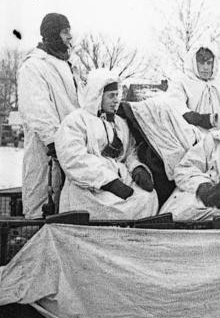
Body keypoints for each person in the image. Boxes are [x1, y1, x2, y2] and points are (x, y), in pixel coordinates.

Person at [55, 69, 158, 219]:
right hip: (90, 185)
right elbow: (74, 159)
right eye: (111, 96)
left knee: (148, 197)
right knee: (114, 209)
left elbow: (129, 152)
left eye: (117, 95)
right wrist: (109, 182)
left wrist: (137, 168)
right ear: (97, 96)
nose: (116, 100)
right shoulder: (76, 121)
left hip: (121, 178)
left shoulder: (119, 123)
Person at [16, 13, 80, 218]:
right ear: (52, 34)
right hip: (47, 152)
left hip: (70, 148)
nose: (70, 36)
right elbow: (37, 110)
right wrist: (55, 144)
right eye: (65, 31)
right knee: (41, 207)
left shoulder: (68, 65)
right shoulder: (34, 66)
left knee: (66, 210)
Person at [160, 111, 220, 221]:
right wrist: (203, 187)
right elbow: (185, 168)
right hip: (204, 195)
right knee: (178, 214)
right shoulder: (212, 141)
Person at [168, 43, 220, 132]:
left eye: (209, 63)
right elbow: (175, 105)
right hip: (193, 138)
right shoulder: (183, 84)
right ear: (193, 63)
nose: (206, 67)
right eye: (201, 63)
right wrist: (199, 119)